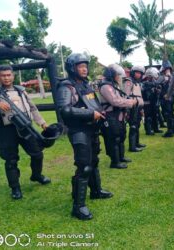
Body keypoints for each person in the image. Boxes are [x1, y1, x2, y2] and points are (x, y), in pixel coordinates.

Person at [57, 53, 113, 220]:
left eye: (85, 66)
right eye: (80, 66)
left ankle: (96, 191)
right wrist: (90, 114)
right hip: (78, 131)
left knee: (94, 161)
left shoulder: (86, 85)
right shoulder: (66, 87)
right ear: (72, 68)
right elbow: (65, 111)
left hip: (92, 129)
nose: (84, 68)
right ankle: (78, 206)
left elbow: (94, 103)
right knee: (84, 166)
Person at [0, 65, 50, 200]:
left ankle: (36, 175)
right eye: (3, 75)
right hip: (7, 131)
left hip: (26, 128)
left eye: (9, 75)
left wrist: (42, 122)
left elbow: (33, 108)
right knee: (11, 160)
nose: (6, 78)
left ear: (13, 76)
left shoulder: (21, 90)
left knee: (37, 153)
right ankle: (15, 188)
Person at [98, 64, 138, 169]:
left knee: (121, 135)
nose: (119, 77)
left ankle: (121, 157)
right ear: (112, 75)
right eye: (118, 75)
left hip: (117, 115)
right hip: (110, 115)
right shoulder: (106, 86)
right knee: (114, 138)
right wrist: (130, 102)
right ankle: (115, 162)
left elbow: (119, 98)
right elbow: (115, 101)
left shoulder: (112, 85)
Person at [124, 65, 146, 152]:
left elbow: (139, 96)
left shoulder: (137, 83)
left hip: (138, 107)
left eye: (140, 73)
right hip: (132, 107)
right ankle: (132, 146)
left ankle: (136, 143)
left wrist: (141, 109)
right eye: (137, 73)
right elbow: (126, 95)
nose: (139, 75)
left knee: (137, 125)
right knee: (133, 126)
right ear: (133, 73)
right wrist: (127, 110)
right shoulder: (129, 82)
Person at [141, 67, 161, 135]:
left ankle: (156, 128)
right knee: (148, 116)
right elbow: (143, 92)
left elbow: (158, 91)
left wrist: (157, 91)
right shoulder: (144, 84)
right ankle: (148, 130)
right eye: (150, 76)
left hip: (154, 102)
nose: (150, 78)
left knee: (155, 115)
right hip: (147, 102)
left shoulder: (155, 83)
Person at [159, 60, 174, 137]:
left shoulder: (165, 77)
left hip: (166, 98)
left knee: (168, 114)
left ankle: (170, 131)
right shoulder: (173, 76)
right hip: (171, 97)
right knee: (171, 113)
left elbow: (156, 83)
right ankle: (173, 129)